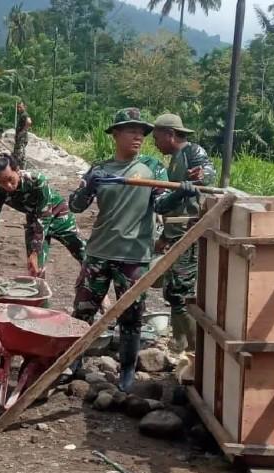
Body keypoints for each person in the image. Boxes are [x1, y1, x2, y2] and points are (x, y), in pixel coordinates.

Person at [70, 108, 161, 392]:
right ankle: (73, 362)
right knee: (84, 310)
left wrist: (182, 191)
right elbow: (75, 206)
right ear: (116, 134)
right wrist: (88, 188)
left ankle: (128, 370)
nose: (138, 136)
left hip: (133, 256)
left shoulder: (153, 168)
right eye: (132, 130)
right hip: (98, 252)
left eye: (142, 132)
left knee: (132, 316)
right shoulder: (100, 169)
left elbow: (164, 204)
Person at [152, 113, 216, 361]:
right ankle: (180, 340)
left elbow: (208, 172)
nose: (156, 144)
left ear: (170, 135)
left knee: (181, 291)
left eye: (157, 138)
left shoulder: (193, 152)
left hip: (189, 233)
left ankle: (190, 347)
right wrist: (165, 237)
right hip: (176, 232)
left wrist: (201, 176)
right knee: (172, 290)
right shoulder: (174, 161)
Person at [0, 154, 86, 278]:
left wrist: (35, 251)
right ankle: (40, 295)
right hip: (34, 221)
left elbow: (44, 216)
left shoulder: (37, 180)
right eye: (2, 182)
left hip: (58, 215)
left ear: (18, 170)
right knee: (35, 270)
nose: (8, 185)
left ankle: (100, 294)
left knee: (84, 255)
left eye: (10, 179)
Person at [13, 101, 33, 169]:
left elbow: (29, 122)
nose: (19, 109)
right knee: (21, 154)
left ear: (25, 107)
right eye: (18, 107)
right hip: (21, 137)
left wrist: (23, 131)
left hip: (22, 138)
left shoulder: (25, 114)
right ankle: (22, 169)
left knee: (19, 154)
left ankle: (19, 169)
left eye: (20, 107)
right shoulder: (22, 115)